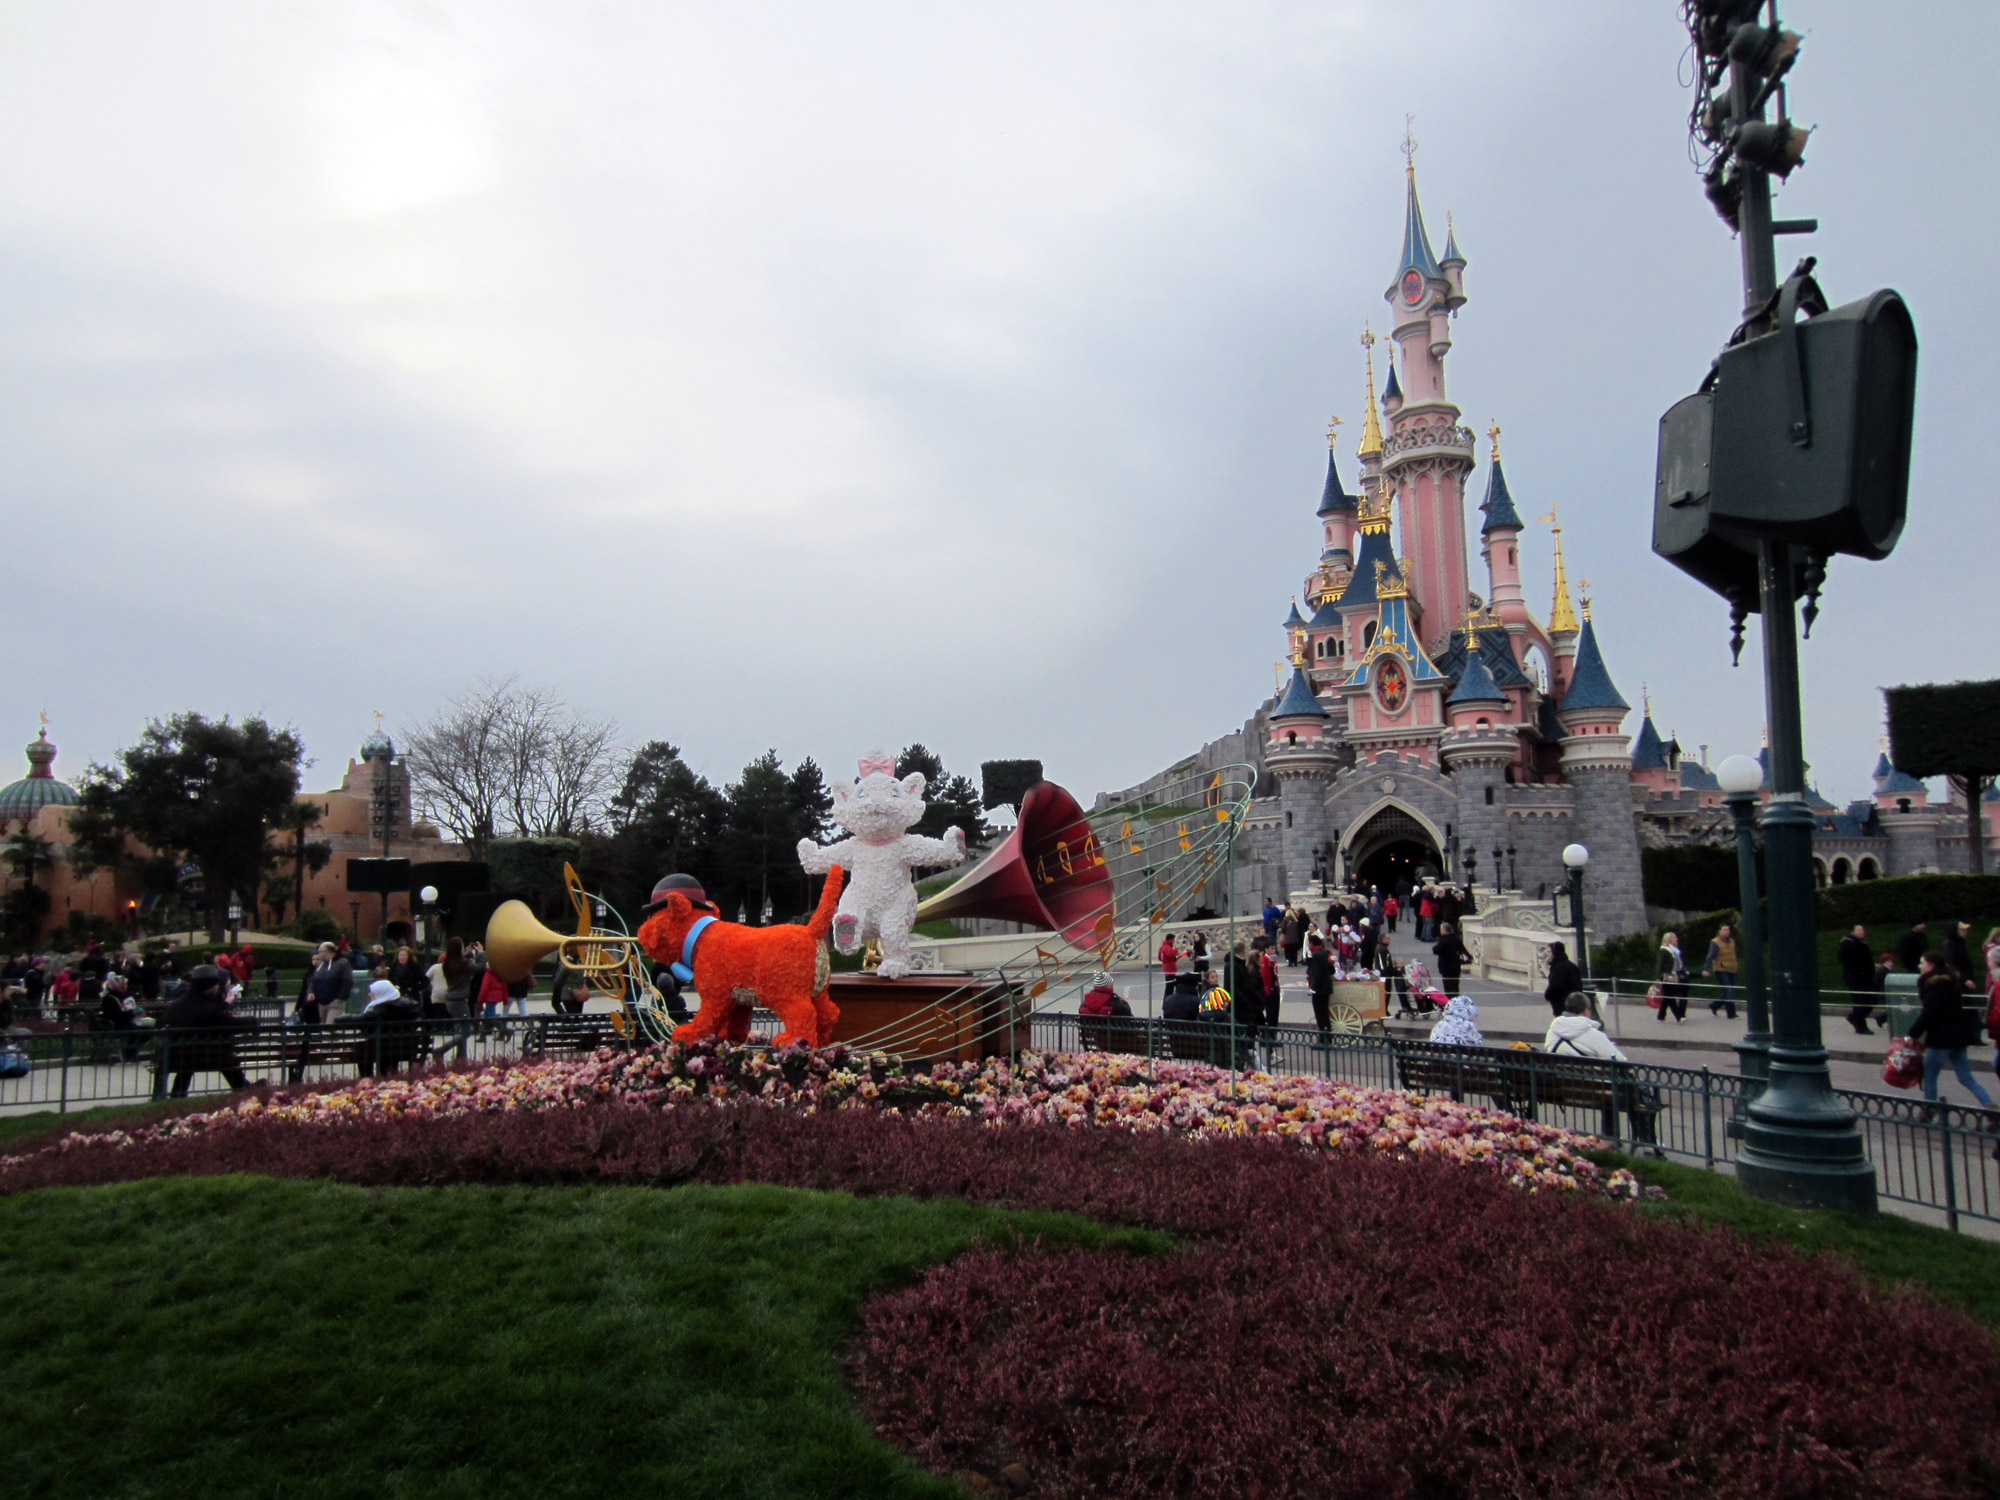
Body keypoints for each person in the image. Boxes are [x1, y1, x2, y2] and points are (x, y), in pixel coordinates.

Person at [1909, 951, 1994, 1110]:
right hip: (1959, 1036)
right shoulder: (1951, 982)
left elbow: (1929, 1013)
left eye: (1923, 963)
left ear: (1931, 965)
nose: (1920, 966)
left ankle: (1929, 1109)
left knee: (1929, 1075)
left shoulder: (1933, 986)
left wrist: (1912, 1034)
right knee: (1966, 1077)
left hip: (1940, 1038)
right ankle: (1989, 1106)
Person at [162, 963, 251, 1096]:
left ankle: (178, 1093)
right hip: (210, 1056)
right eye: (216, 985)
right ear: (209, 987)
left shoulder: (177, 1005)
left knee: (190, 1058)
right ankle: (243, 1087)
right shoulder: (208, 1008)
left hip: (177, 1056)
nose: (218, 987)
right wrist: (252, 1021)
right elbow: (231, 1025)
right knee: (224, 1056)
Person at [1544, 991, 1628, 1062]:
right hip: (1588, 1076)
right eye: (1589, 1009)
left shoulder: (1552, 1031)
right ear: (1586, 1010)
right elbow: (1620, 1060)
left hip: (1559, 1075)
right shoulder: (1594, 1035)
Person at [427, 937, 474, 1063]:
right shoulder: (460, 964)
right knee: (466, 1031)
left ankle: (461, 1057)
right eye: (462, 947)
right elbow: (480, 967)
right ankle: (442, 1049)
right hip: (458, 999)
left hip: (448, 998)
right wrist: (480, 953)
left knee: (460, 1028)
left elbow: (426, 978)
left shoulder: (447, 964)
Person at [1838, 923, 1879, 1034]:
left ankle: (1854, 1017)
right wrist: (1859, 972)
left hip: (1866, 977)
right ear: (1852, 932)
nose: (1862, 932)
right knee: (1860, 1000)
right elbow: (1846, 960)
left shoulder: (1860, 943)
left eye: (1862, 930)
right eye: (1859, 930)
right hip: (1856, 978)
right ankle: (1860, 1025)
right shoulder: (1848, 943)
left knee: (1872, 998)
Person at [1703, 925, 1739, 1020]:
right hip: (1721, 969)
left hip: (1731, 968)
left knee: (1730, 990)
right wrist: (1706, 969)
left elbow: (1734, 954)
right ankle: (1731, 1014)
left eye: (1728, 930)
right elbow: (1710, 956)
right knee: (1728, 990)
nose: (1726, 932)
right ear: (1719, 931)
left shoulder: (1732, 941)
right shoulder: (1715, 942)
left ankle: (1714, 1005)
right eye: (1724, 930)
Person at [1543, 940, 1582, 1018]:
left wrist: (1548, 995)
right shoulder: (1571, 965)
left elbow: (1555, 984)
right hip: (1573, 1001)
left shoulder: (1558, 967)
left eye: (1550, 952)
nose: (1548, 954)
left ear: (1555, 952)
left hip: (1561, 1002)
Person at [1304, 934, 1334, 1034]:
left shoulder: (1316, 955)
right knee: (1325, 1013)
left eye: (1309, 943)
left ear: (1312, 943)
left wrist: (1313, 989)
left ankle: (1323, 1037)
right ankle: (1327, 1037)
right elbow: (1331, 970)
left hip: (1320, 989)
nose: (1308, 945)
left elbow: (1317, 973)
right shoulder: (1324, 952)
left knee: (1320, 1015)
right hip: (1326, 987)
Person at [1655, 932, 1688, 1023]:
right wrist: (1657, 978)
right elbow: (1659, 965)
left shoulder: (1675, 951)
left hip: (1674, 975)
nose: (1676, 939)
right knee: (1670, 996)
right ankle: (1678, 1017)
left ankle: (1661, 1015)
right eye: (1674, 938)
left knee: (1667, 996)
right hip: (1666, 976)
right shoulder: (1664, 950)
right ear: (1668, 940)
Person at [1432, 922, 1470, 1000]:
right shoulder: (1456, 939)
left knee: (1448, 986)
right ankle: (1456, 999)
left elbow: (1436, 950)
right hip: (1456, 965)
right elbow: (1463, 950)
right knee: (1455, 985)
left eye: (1441, 929)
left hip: (1445, 966)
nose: (1440, 931)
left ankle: (1450, 1000)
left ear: (1445, 930)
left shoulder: (1443, 940)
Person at [1257, 942, 1281, 1027]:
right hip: (1269, 991)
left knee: (1275, 1013)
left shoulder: (1273, 960)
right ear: (1266, 949)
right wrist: (1267, 991)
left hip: (1274, 989)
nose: (1274, 950)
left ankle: (1274, 1029)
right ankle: (1270, 1031)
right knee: (1271, 1013)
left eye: (1274, 948)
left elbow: (1275, 975)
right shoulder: (1264, 960)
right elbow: (1263, 976)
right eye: (1272, 948)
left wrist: (1278, 987)